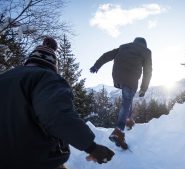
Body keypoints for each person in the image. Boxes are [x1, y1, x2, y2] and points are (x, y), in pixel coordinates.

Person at [0, 37, 114, 169]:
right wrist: (91, 147)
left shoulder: (4, 76)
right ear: (53, 65)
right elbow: (57, 116)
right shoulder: (47, 77)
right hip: (31, 159)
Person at [90, 37, 152, 149]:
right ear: (144, 45)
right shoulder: (146, 51)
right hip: (131, 78)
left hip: (118, 77)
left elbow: (107, 55)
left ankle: (127, 122)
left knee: (127, 100)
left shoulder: (124, 46)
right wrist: (143, 88)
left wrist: (96, 65)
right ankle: (118, 131)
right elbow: (148, 71)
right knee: (126, 103)